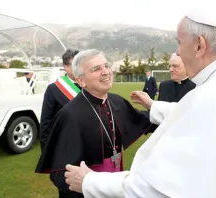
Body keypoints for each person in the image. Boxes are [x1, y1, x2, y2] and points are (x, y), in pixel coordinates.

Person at [64, 4, 216, 198]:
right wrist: (153, 105)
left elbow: (156, 189)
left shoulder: (213, 95)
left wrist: (89, 182)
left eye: (179, 43)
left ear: (199, 45)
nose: (177, 53)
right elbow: (196, 116)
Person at [35, 49, 153, 198]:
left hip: (115, 181)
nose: (106, 72)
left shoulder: (116, 101)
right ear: (81, 81)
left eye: (106, 66)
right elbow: (62, 170)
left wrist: (169, 115)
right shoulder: (69, 115)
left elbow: (143, 119)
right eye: (96, 69)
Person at [40, 49, 80, 148]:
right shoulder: (53, 89)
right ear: (65, 67)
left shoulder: (90, 86)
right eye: (75, 64)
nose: (79, 68)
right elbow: (46, 122)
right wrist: (47, 150)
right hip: (64, 143)